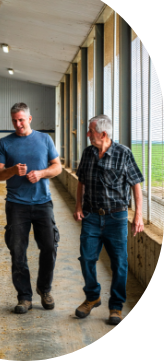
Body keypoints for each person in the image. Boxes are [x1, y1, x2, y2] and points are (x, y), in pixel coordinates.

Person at [73, 114, 144, 325]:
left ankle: (116, 307)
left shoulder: (124, 153)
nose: (87, 135)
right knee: (86, 258)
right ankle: (92, 296)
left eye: (90, 131)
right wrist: (78, 205)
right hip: (91, 215)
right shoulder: (88, 153)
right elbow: (81, 181)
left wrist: (138, 215)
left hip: (117, 217)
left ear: (103, 134)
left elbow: (136, 184)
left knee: (120, 264)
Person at [0, 102, 62, 314]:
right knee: (17, 250)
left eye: (21, 120)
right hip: (16, 205)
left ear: (29, 119)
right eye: (14, 120)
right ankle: (24, 297)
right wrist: (12, 170)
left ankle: (45, 289)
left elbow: (57, 167)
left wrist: (41, 173)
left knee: (49, 246)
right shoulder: (5, 143)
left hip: (43, 202)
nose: (18, 124)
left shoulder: (44, 139)